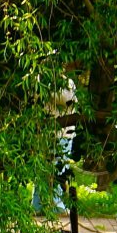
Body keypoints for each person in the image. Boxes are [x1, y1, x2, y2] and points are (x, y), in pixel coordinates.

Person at [31, 76, 79, 217]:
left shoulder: (67, 82)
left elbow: (68, 100)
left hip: (63, 134)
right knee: (43, 170)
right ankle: (41, 205)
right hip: (45, 134)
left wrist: (49, 88)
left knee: (58, 169)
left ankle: (53, 205)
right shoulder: (38, 79)